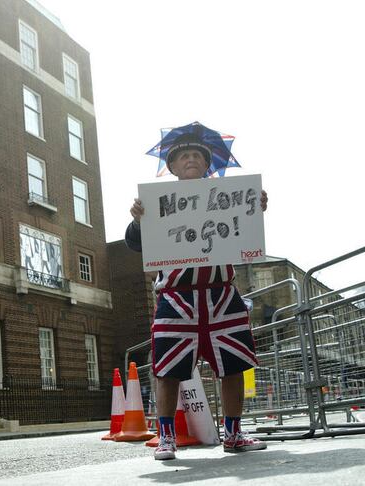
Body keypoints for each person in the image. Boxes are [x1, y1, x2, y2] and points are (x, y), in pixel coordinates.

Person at [125, 131, 269, 460]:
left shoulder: (229, 196)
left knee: (233, 366)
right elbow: (135, 243)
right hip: (176, 298)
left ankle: (233, 433)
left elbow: (245, 231)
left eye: (199, 156)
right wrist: (137, 219)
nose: (192, 159)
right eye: (184, 155)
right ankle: (166, 437)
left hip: (222, 296)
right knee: (168, 371)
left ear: (208, 166)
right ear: (172, 166)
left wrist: (254, 206)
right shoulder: (156, 203)